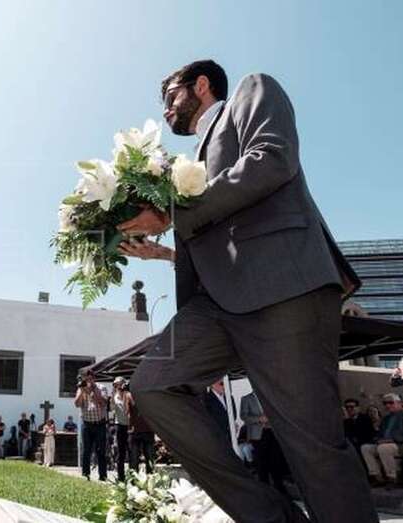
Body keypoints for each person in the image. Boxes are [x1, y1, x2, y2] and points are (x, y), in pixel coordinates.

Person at [120, 59, 376, 522]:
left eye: (171, 97)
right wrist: (163, 252)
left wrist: (174, 215)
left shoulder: (249, 93)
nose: (166, 111)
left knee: (311, 444)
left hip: (282, 286)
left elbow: (272, 160)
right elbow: (216, 241)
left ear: (200, 84)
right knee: (151, 384)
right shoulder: (184, 164)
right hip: (214, 306)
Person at [241, 391, 288, 494]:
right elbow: (243, 416)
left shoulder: (267, 396)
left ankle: (279, 487)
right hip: (258, 436)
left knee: (275, 461)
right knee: (262, 464)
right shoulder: (246, 398)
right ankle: (265, 490)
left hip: (272, 432)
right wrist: (259, 419)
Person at [361, 393, 403, 487]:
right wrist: (377, 439)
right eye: (385, 403)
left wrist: (390, 440)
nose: (387, 405)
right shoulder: (386, 418)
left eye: (391, 403)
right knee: (366, 448)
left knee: (384, 448)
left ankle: (393, 477)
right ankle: (377, 477)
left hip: (398, 444)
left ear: (400, 403)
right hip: (385, 443)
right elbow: (380, 434)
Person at [74, 370, 107, 481]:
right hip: (87, 424)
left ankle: (103, 476)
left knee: (101, 450)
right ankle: (85, 474)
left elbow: (103, 402)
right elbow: (77, 404)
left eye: (90, 378)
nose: (88, 381)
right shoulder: (81, 388)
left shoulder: (101, 387)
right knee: (86, 450)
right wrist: (83, 391)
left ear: (94, 378)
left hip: (99, 424)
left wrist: (93, 390)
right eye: (86, 379)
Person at [110, 377, 133, 482]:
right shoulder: (114, 396)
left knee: (132, 451)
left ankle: (133, 477)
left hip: (130, 425)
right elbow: (111, 408)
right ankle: (121, 477)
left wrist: (125, 393)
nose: (118, 386)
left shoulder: (128, 395)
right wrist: (113, 395)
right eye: (116, 384)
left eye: (119, 384)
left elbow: (128, 409)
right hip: (119, 425)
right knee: (121, 452)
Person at [128, 401, 157, 474]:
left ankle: (151, 481)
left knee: (150, 459)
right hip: (136, 431)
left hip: (148, 430)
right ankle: (133, 482)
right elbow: (127, 412)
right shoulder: (129, 394)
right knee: (134, 460)